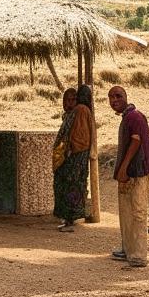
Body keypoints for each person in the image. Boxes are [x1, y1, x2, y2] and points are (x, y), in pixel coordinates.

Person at [109, 86, 149, 267]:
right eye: (111, 97)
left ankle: (139, 255)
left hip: (137, 172)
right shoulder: (128, 117)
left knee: (137, 213)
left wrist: (123, 168)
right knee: (126, 213)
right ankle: (128, 249)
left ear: (126, 97)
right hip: (130, 172)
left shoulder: (134, 116)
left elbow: (136, 141)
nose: (114, 100)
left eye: (118, 96)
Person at [53, 85, 93, 232]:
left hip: (74, 159)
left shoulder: (81, 110)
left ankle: (69, 218)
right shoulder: (76, 112)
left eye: (73, 99)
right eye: (67, 100)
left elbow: (80, 139)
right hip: (72, 158)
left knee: (71, 186)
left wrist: (69, 151)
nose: (69, 103)